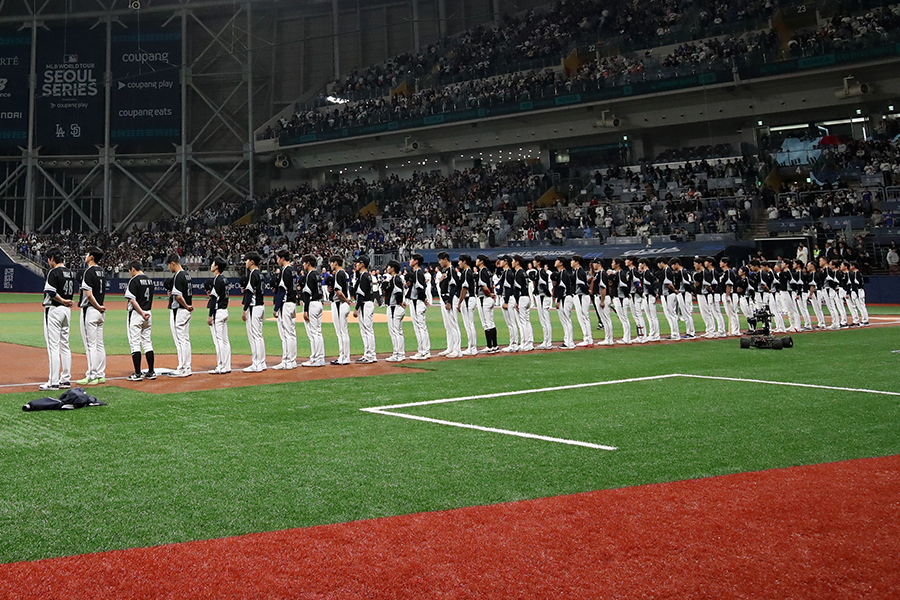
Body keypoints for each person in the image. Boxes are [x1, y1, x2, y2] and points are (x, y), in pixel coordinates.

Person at [40, 248, 75, 391]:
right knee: (65, 345)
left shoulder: (53, 272)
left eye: (49, 259)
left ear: (53, 258)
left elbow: (51, 292)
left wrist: (62, 300)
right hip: (66, 312)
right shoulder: (70, 273)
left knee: (53, 346)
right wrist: (66, 302)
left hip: (55, 309)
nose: (48, 262)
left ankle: (53, 381)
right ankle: (65, 379)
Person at [77, 246, 106, 386]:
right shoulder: (101, 271)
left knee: (91, 344)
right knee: (100, 344)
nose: (85, 256)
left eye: (87, 254)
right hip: (101, 312)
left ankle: (92, 375)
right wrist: (100, 307)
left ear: (92, 257)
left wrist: (96, 306)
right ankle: (101, 374)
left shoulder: (88, 271)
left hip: (91, 309)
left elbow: (88, 294)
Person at [124, 261, 156, 381]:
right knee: (147, 342)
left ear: (132, 269)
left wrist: (141, 312)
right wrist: (145, 312)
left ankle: (137, 373)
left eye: (129, 270)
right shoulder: (149, 280)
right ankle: (151, 371)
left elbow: (132, 300)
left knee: (135, 343)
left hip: (138, 314)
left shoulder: (134, 280)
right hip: (148, 313)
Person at [166, 253, 194, 377]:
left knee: (180, 340)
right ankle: (186, 366)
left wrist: (186, 305)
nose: (169, 268)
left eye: (169, 265)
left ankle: (183, 367)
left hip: (180, 310)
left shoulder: (178, 276)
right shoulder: (187, 275)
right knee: (185, 339)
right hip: (186, 311)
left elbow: (178, 296)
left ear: (173, 263)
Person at [271, 250, 298, 370]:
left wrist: (276, 307)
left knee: (286, 334)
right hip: (292, 302)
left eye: (278, 258)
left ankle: (287, 361)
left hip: (286, 304)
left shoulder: (285, 271)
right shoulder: (293, 270)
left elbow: (282, 291)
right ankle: (292, 360)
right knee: (291, 333)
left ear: (282, 258)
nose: (277, 261)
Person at [241, 251, 267, 373]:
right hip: (261, 306)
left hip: (254, 307)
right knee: (259, 336)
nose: (245, 263)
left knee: (254, 336)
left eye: (246, 260)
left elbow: (249, 293)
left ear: (251, 262)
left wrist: (245, 309)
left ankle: (256, 363)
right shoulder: (260, 274)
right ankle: (261, 362)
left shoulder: (253, 274)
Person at [300, 254, 326, 366]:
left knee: (313, 333)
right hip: (319, 303)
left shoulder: (310, 275)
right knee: (318, 332)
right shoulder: (317, 274)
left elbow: (307, 293)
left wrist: (305, 310)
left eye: (304, 263)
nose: (303, 265)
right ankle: (319, 357)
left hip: (312, 305)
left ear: (308, 263)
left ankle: (316, 358)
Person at [207, 256, 232, 374]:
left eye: (213, 263)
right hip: (225, 310)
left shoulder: (217, 279)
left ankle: (221, 366)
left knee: (219, 341)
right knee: (225, 340)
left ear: (216, 266)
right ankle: (227, 365)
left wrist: (210, 315)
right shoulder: (224, 279)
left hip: (218, 312)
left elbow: (213, 299)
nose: (211, 265)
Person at [406, 253, 431, 360]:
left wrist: (423, 299)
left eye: (412, 259)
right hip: (416, 301)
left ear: (416, 261)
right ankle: (422, 350)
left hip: (418, 302)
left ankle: (425, 351)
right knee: (418, 327)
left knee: (421, 327)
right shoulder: (416, 273)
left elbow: (420, 288)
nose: (410, 261)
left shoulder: (418, 273)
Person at [437, 251, 462, 358]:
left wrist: (449, 301)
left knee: (454, 325)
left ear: (445, 259)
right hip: (444, 299)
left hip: (450, 299)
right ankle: (450, 347)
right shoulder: (446, 271)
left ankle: (457, 350)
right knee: (448, 325)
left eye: (440, 260)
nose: (439, 262)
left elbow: (454, 287)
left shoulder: (451, 270)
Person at [353, 256, 378, 363]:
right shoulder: (365, 276)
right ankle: (367, 353)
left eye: (358, 263)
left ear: (362, 264)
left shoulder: (364, 276)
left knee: (367, 330)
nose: (355, 264)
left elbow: (360, 294)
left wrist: (356, 308)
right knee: (365, 330)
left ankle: (371, 355)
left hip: (366, 304)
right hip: (367, 303)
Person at [329, 256, 352, 365]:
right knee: (343, 331)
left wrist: (345, 300)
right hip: (343, 304)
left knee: (341, 332)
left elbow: (338, 292)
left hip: (340, 304)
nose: (330, 265)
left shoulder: (338, 273)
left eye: (331, 263)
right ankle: (343, 356)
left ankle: (344, 357)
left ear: (336, 263)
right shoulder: (344, 273)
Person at [475, 254, 499, 353]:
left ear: (481, 261)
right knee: (491, 322)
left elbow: (484, 286)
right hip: (489, 299)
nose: (476, 261)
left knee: (486, 323)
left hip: (484, 298)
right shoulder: (488, 271)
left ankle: (489, 346)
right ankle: (495, 345)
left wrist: (489, 294)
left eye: (477, 260)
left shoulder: (482, 271)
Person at [383, 259, 406, 362]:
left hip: (395, 307)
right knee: (398, 331)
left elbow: (398, 292)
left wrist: (400, 302)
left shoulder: (395, 278)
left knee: (395, 331)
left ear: (392, 268)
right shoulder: (396, 278)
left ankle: (398, 354)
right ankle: (398, 353)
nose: (387, 268)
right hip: (396, 307)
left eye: (388, 266)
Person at [456, 254, 479, 356]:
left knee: (469, 324)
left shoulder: (466, 272)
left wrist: (459, 302)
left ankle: (472, 347)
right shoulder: (468, 272)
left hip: (468, 299)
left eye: (460, 261)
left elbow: (464, 288)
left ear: (464, 261)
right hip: (470, 298)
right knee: (469, 324)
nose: (459, 263)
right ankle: (471, 346)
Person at [512, 255, 534, 352]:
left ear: (517, 262)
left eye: (513, 261)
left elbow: (517, 288)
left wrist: (516, 301)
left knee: (523, 322)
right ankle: (530, 342)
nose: (512, 262)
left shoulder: (518, 272)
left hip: (521, 298)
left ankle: (525, 343)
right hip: (527, 297)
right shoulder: (524, 272)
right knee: (527, 321)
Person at [570, 255, 594, 346]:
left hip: (581, 296)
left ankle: (588, 339)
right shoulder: (577, 271)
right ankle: (588, 338)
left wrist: (586, 291)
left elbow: (581, 284)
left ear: (577, 262)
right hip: (581, 295)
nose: (571, 262)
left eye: (572, 261)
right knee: (583, 317)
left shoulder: (579, 271)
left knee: (584, 317)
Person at [498, 255, 519, 353]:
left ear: (506, 262)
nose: (500, 262)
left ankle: (514, 344)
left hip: (509, 299)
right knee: (510, 323)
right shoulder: (507, 272)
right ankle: (513, 343)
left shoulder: (508, 272)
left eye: (501, 260)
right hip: (509, 298)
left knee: (511, 322)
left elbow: (508, 288)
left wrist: (506, 301)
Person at [590, 258, 614, 346]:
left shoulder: (602, 273)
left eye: (594, 263)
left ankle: (609, 339)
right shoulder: (598, 273)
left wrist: (602, 300)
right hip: (599, 297)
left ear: (599, 263)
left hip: (602, 297)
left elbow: (603, 288)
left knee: (606, 319)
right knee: (604, 319)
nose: (593, 265)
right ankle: (608, 338)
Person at [533, 256, 555, 349]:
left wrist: (547, 294)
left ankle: (548, 342)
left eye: (535, 261)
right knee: (544, 320)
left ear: (538, 262)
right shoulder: (540, 272)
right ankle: (546, 341)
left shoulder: (541, 272)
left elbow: (543, 284)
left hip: (543, 296)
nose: (533, 262)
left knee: (545, 320)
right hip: (542, 296)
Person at [553, 256, 575, 349]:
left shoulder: (563, 273)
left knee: (566, 320)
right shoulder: (563, 273)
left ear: (561, 263)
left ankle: (569, 342)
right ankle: (567, 341)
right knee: (565, 321)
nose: (555, 262)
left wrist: (558, 300)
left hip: (565, 298)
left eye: (557, 261)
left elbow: (563, 288)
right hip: (565, 297)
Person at [657, 257, 680, 341]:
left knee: (671, 314)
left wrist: (674, 290)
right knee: (671, 314)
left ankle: (675, 334)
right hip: (669, 294)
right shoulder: (669, 270)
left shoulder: (667, 270)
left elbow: (668, 283)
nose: (658, 265)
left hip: (668, 294)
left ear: (662, 262)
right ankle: (674, 333)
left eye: (658, 263)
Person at [638, 258, 660, 342]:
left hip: (649, 296)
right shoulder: (646, 273)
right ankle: (652, 333)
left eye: (640, 263)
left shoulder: (647, 273)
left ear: (644, 264)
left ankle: (656, 334)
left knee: (652, 316)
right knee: (650, 316)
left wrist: (654, 295)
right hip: (647, 295)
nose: (639, 265)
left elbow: (649, 286)